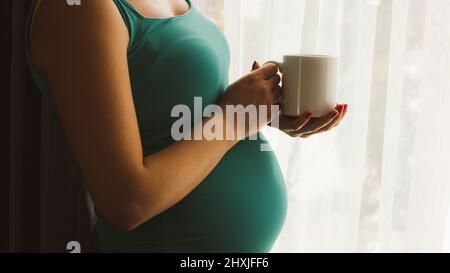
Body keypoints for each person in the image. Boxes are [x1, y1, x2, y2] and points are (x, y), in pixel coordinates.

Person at [26, 0, 348, 252]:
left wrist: (260, 112)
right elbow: (126, 202)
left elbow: (173, 115)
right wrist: (233, 121)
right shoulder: (78, 9)